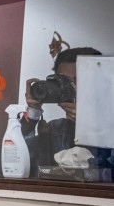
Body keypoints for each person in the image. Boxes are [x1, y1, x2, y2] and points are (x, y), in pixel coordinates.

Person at [21, 46, 114, 174]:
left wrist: (91, 125)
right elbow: (16, 160)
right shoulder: (55, 129)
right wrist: (32, 114)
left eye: (76, 80)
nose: (69, 87)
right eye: (62, 80)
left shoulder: (109, 128)